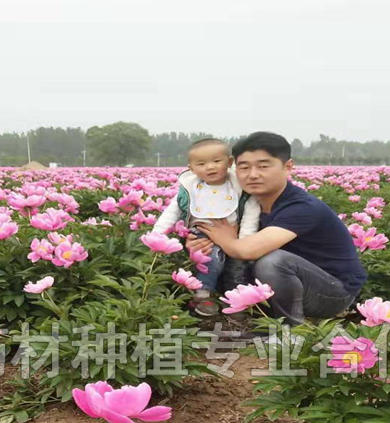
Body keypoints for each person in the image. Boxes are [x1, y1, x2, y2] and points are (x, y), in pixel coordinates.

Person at [190, 132, 367, 325]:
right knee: (215, 256)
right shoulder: (244, 205)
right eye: (244, 167)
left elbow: (246, 250)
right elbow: (225, 240)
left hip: (332, 293)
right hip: (289, 284)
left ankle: (290, 329)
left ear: (287, 167)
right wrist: (201, 243)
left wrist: (224, 239)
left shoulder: (302, 207)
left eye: (263, 166)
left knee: (272, 262)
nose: (253, 174)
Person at [152, 138, 260, 316]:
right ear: (191, 168)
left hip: (234, 235)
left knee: (238, 266)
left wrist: (245, 241)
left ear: (230, 162)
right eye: (201, 164)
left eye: (217, 161)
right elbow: (172, 212)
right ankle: (203, 295)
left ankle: (236, 299)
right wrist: (158, 235)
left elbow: (251, 212)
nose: (210, 167)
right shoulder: (190, 188)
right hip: (201, 234)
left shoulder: (239, 187)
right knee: (212, 259)